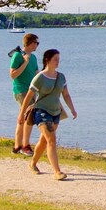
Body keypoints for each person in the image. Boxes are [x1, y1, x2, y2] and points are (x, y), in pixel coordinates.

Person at [19, 48, 77, 180]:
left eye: (58, 59)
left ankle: (33, 163)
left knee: (44, 140)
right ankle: (57, 172)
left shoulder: (61, 77)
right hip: (41, 112)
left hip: (56, 112)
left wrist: (72, 109)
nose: (58, 62)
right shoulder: (40, 77)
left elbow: (66, 95)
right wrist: (21, 114)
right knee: (51, 140)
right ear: (47, 60)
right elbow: (29, 96)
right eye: (55, 59)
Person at [9, 33, 39, 155]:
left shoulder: (34, 57)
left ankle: (18, 146)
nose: (37, 45)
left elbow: (36, 73)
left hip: (32, 90)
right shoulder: (17, 56)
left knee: (24, 118)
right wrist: (25, 62)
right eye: (36, 43)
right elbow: (12, 75)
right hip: (21, 90)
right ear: (31, 43)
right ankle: (24, 146)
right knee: (28, 117)